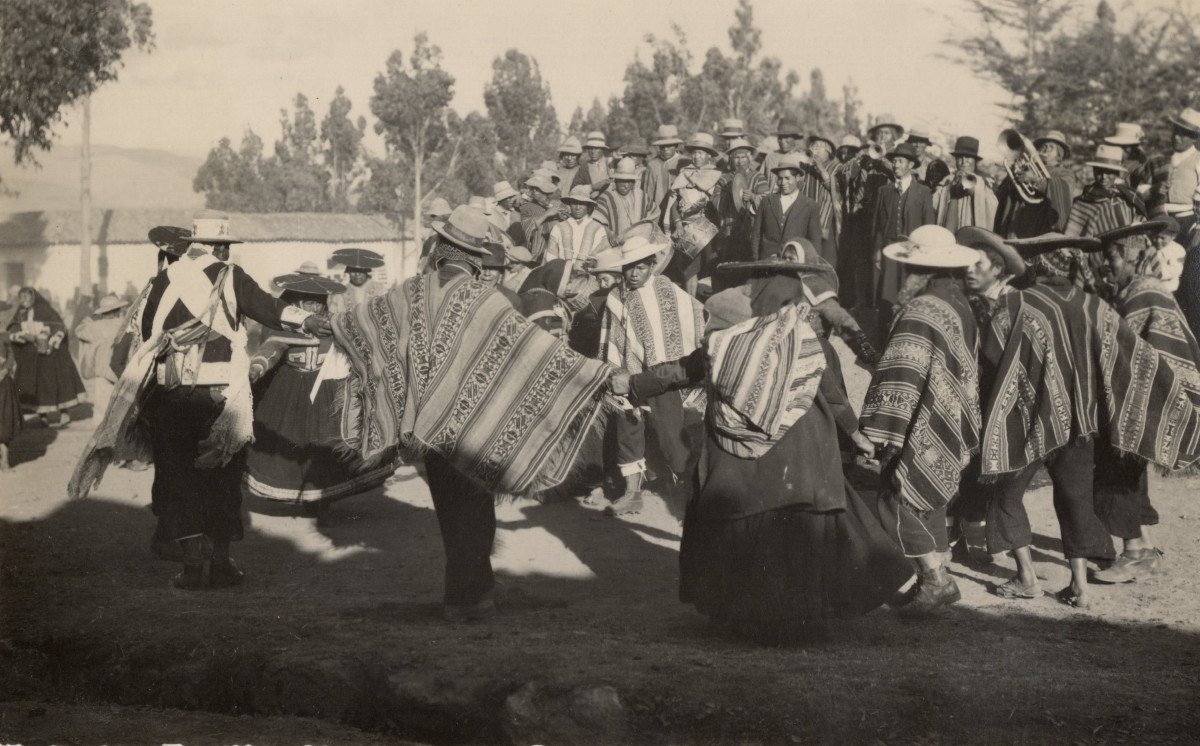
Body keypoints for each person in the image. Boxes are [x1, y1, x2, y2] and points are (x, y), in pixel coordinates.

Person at [326, 203, 612, 622]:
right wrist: (595, 374)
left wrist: (320, 323)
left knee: (451, 511)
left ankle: (475, 590)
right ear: (476, 260)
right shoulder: (485, 301)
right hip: (472, 429)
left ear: (440, 249)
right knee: (475, 514)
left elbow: (359, 323)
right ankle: (466, 599)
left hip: (423, 429)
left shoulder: (408, 293)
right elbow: (534, 351)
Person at [610, 254, 912, 642]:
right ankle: (802, 619)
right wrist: (854, 433)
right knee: (799, 530)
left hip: (736, 455)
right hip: (800, 456)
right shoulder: (805, 340)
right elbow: (832, 393)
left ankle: (739, 615)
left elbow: (683, 371)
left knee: (741, 524)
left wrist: (634, 384)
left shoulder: (726, 340)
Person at [70, 211, 328, 590]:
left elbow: (144, 334)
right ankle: (221, 565)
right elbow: (269, 310)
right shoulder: (230, 276)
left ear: (193, 245)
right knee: (222, 477)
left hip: (170, 396)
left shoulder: (157, 283)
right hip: (219, 398)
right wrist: (307, 322)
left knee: (179, 479)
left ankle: (192, 568)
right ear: (222, 247)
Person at [979, 233, 1200, 608]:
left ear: (1035, 264)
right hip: (1081, 421)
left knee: (1005, 493)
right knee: (1074, 499)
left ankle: (1026, 577)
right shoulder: (1094, 305)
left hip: (1030, 417)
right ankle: (1079, 586)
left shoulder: (1017, 302)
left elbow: (992, 353)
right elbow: (1131, 354)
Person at [859, 226, 982, 613]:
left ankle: (935, 579)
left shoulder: (919, 311)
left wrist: (882, 428)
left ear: (921, 270)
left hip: (916, 416)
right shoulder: (959, 303)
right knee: (931, 495)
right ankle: (933, 574)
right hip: (949, 414)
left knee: (894, 496)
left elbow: (902, 372)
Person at [1091, 221, 1200, 583]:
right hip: (1145, 396)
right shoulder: (1141, 290)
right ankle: (1146, 548)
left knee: (1117, 469)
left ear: (1132, 256)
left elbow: (1125, 349)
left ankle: (1134, 552)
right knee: (1129, 473)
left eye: (1112, 258)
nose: (1107, 265)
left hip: (1143, 400)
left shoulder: (1141, 294)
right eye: (1105, 259)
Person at [244, 263, 395, 512]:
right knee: (292, 444)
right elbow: (271, 347)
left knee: (327, 445)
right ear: (296, 298)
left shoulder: (333, 321)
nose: (315, 305)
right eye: (309, 299)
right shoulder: (283, 322)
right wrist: (257, 367)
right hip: (291, 388)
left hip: (326, 388)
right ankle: (304, 494)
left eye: (318, 299)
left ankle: (322, 498)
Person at [599, 235, 705, 515]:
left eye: (641, 267)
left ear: (652, 265)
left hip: (662, 375)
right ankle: (632, 493)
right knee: (627, 427)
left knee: (671, 434)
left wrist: (668, 368)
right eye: (629, 267)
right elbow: (613, 336)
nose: (634, 274)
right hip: (628, 372)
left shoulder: (670, 293)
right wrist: (616, 370)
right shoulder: (615, 295)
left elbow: (693, 321)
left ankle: (687, 493)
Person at [6, 287, 87, 427]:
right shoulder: (20, 313)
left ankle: (64, 413)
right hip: (30, 356)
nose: (24, 300)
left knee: (55, 382)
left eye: (27, 297)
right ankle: (41, 416)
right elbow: (13, 329)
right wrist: (22, 336)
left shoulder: (46, 310)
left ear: (34, 297)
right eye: (22, 297)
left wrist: (50, 339)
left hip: (49, 354)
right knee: (36, 385)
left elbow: (60, 327)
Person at [873, 143, 937, 310]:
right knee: (887, 298)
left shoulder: (923, 192)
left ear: (910, 165)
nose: (896, 165)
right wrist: (878, 251)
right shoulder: (884, 191)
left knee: (909, 298)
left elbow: (929, 227)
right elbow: (878, 225)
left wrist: (924, 256)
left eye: (900, 161)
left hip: (913, 253)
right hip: (889, 251)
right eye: (894, 161)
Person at [667, 133, 725, 290]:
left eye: (701, 153)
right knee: (689, 271)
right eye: (694, 153)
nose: (696, 156)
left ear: (708, 156)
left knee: (712, 268)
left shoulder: (716, 175)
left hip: (708, 230)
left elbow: (719, 204)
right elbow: (674, 203)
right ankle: (691, 306)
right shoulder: (684, 174)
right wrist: (678, 224)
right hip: (686, 228)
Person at [994, 129, 1075, 238]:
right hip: (1014, 223)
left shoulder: (1065, 173)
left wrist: (1035, 180)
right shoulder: (1029, 166)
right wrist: (1012, 175)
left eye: (1051, 147)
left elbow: (1065, 189)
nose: (1046, 149)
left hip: (1039, 227)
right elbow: (1003, 192)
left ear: (1059, 154)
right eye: (1044, 146)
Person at [750, 152, 823, 261]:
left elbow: (815, 241)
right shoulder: (767, 201)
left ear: (798, 178)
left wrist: (811, 265)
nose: (783, 182)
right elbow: (756, 235)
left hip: (795, 263)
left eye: (787, 178)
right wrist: (756, 260)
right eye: (780, 178)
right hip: (767, 262)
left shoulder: (810, 205)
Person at [714, 138, 768, 278]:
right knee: (729, 266)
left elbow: (767, 201)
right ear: (731, 159)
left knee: (747, 266)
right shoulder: (724, 178)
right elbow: (715, 200)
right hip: (729, 228)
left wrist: (753, 197)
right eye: (736, 157)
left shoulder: (758, 177)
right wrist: (730, 196)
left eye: (743, 157)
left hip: (751, 229)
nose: (740, 161)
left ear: (749, 158)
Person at [1065, 144, 1145, 237]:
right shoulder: (1083, 200)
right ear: (1094, 171)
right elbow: (1073, 232)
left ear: (1117, 173)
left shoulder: (1127, 198)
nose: (1104, 177)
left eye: (1109, 172)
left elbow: (1137, 226)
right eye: (1099, 172)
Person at [73, 294, 128, 409]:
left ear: (102, 312)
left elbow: (79, 331)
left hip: (101, 370)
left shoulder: (94, 327)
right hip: (122, 370)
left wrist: (91, 319)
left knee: (102, 408)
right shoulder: (125, 324)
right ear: (117, 311)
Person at [1152, 107, 1200, 239]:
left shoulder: (1198, 160)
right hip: (1159, 219)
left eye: (1183, 134)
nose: (1177, 137)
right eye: (1175, 132)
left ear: (1194, 138)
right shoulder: (1161, 159)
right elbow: (1143, 188)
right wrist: (1152, 190)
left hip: (1186, 222)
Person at [938, 136, 998, 232]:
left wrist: (975, 191)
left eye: (968, 157)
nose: (963, 161)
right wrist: (951, 189)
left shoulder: (984, 183)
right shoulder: (947, 181)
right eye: (959, 158)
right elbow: (936, 205)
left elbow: (993, 207)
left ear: (975, 160)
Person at [545, 185, 609, 264]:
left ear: (588, 206)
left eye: (582, 203)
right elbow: (551, 256)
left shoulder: (598, 228)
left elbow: (604, 254)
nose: (577, 207)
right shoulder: (558, 227)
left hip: (588, 272)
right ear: (569, 204)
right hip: (562, 272)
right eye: (574, 203)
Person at [643, 124, 687, 232]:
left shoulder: (684, 163)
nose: (665, 149)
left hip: (680, 215)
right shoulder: (652, 165)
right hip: (658, 214)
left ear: (676, 146)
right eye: (662, 146)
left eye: (670, 146)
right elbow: (647, 193)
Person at [595, 157, 650, 241]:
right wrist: (609, 233)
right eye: (622, 181)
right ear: (615, 181)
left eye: (630, 181)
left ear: (634, 182)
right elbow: (597, 221)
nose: (626, 186)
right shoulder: (607, 196)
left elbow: (654, 214)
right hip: (614, 244)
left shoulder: (641, 196)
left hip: (638, 243)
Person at [328, 247, 387, 313]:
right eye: (353, 270)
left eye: (360, 270)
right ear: (348, 271)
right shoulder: (340, 294)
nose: (357, 274)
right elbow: (333, 317)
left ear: (366, 270)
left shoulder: (380, 290)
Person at [0, 301, 20, 470]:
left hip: (2, 383)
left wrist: (5, 371)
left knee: (4, 421)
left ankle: (5, 460)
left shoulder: (4, 336)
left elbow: (11, 355)